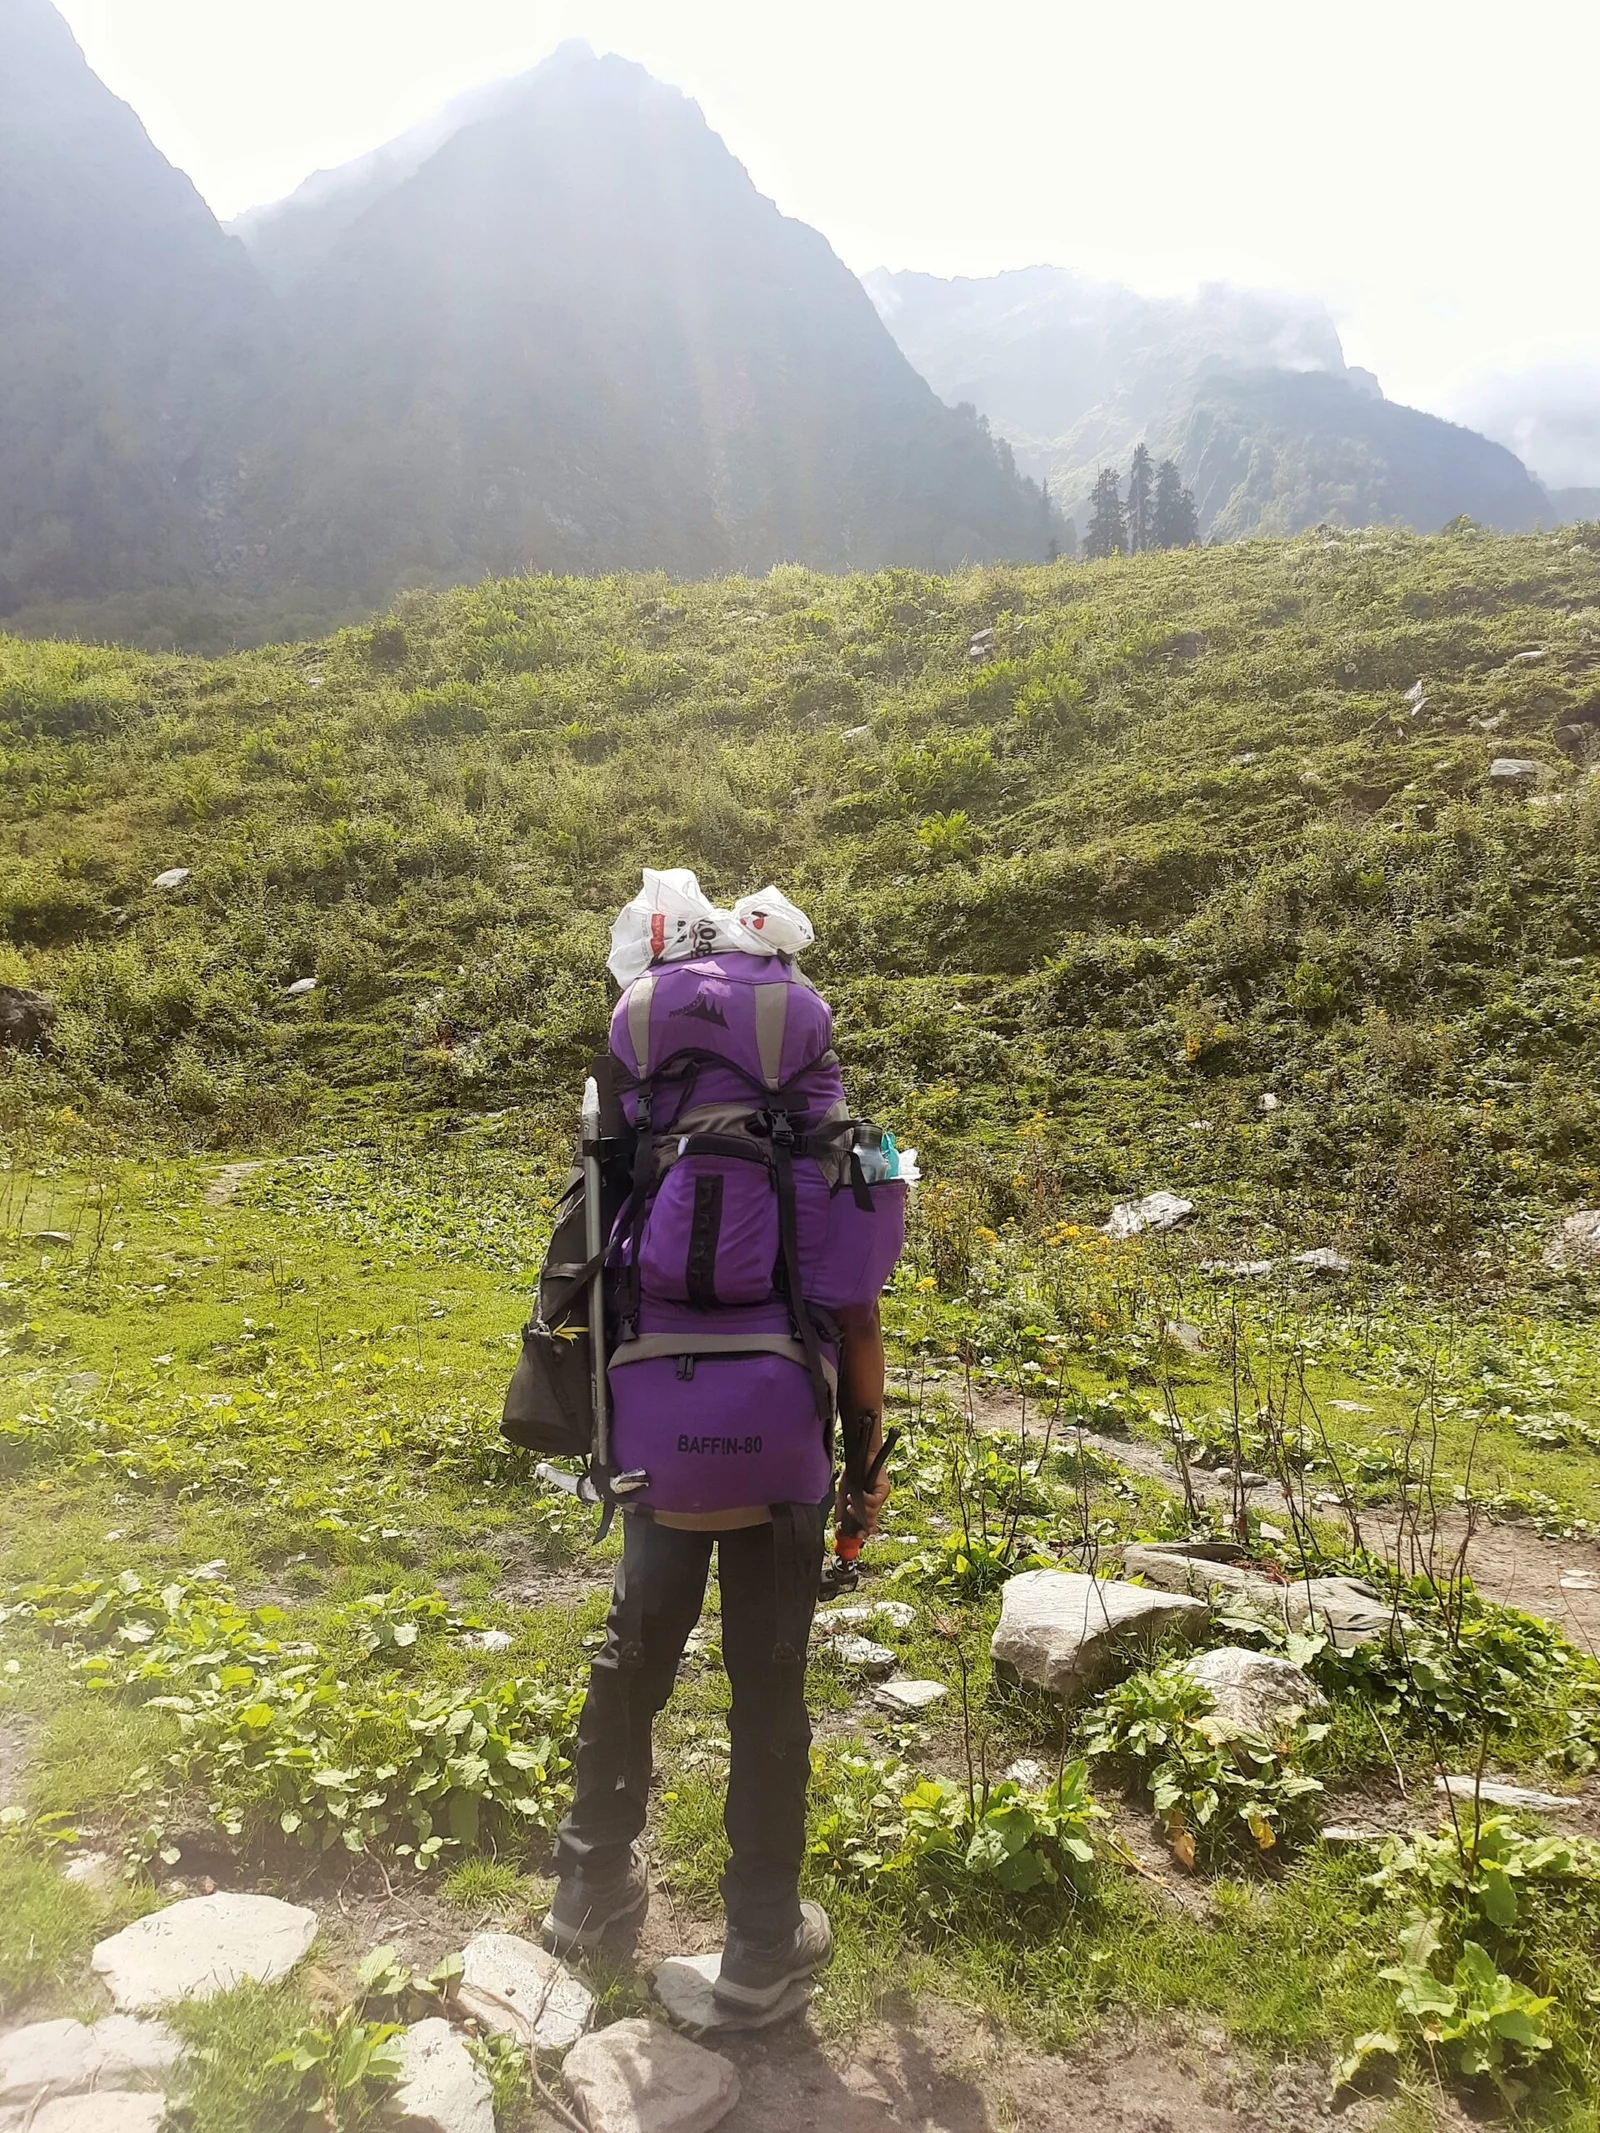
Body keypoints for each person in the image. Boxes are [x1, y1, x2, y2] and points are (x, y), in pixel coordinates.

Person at [540, 1307, 890, 2011]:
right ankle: (762, 1936)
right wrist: (862, 1468)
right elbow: (860, 1319)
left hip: (656, 1447)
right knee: (767, 1685)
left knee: (631, 1659)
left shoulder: (654, 1184)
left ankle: (588, 1880)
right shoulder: (835, 1186)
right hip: (778, 1462)